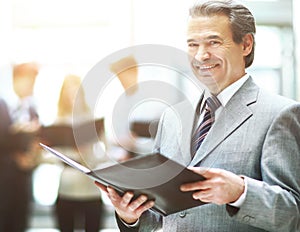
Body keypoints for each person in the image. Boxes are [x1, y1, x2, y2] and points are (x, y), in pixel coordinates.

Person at [95, 0, 300, 231]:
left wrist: (240, 192)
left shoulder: (280, 114)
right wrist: (129, 215)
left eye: (213, 42)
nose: (201, 55)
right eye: (193, 45)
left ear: (246, 44)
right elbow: (157, 218)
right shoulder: (172, 117)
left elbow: (293, 213)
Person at [53, 74, 105, 232]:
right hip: (66, 188)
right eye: (68, 91)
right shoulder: (58, 122)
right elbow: (53, 156)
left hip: (90, 189)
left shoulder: (93, 121)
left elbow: (105, 154)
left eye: (75, 91)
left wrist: (88, 154)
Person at [0, 62, 41, 232]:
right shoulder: (3, 105)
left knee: (21, 223)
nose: (32, 86)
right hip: (3, 181)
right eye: (30, 81)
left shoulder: (32, 109)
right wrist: (17, 157)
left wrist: (33, 156)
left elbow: (37, 141)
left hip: (24, 181)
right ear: (17, 80)